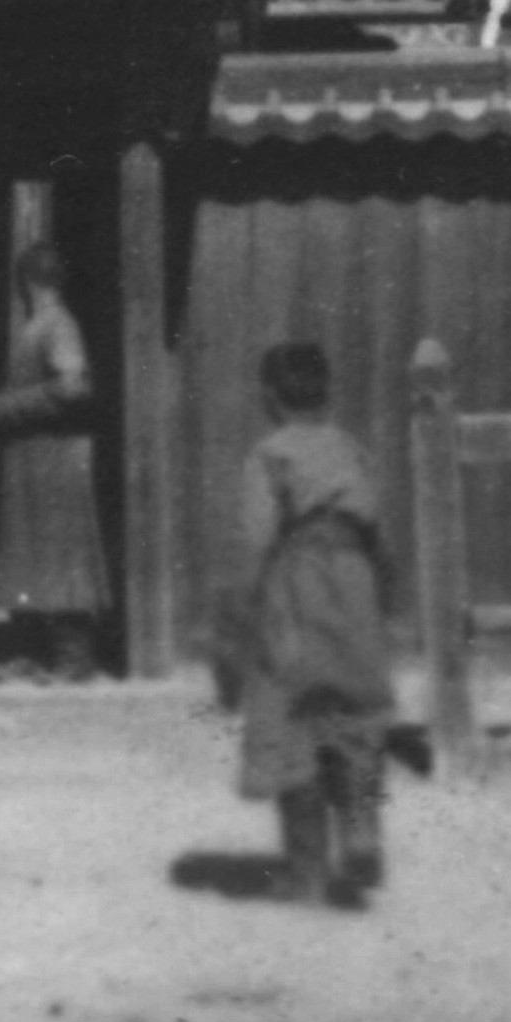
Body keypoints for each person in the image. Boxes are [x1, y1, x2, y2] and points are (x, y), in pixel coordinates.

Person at [214, 341, 392, 905]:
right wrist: (381, 601)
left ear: (269, 397)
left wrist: (239, 614)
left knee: (291, 714)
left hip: (299, 584)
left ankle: (306, 872)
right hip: (355, 581)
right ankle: (361, 827)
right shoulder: (350, 448)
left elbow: (255, 540)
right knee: (354, 708)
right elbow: (376, 529)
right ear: (327, 393)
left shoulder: (270, 455)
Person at [0, 241, 104, 683]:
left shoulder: (57, 324)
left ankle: (74, 658)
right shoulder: (40, 325)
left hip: (54, 458)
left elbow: (74, 386)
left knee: (61, 552)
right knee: (32, 552)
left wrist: (11, 406)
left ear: (26, 282)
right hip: (33, 457)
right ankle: (30, 652)